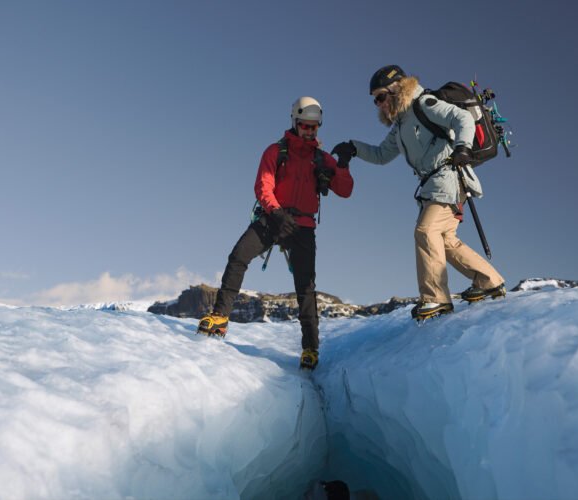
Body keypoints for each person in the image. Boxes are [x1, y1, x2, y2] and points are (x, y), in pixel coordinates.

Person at [332, 65, 504, 321]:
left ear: (395, 89)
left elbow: (463, 119)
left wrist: (462, 148)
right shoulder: (400, 125)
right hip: (431, 185)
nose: (378, 104)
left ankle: (436, 298)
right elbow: (381, 155)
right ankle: (489, 281)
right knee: (445, 240)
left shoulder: (425, 104)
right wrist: (353, 148)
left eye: (380, 97)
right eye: (375, 101)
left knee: (426, 231)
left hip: (449, 177)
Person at [197, 97, 353, 370]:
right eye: (305, 125)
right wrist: (277, 213)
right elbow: (263, 185)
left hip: (303, 226)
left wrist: (342, 163)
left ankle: (310, 349)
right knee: (238, 257)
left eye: (314, 127)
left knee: (306, 287)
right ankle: (220, 317)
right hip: (273, 218)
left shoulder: (322, 159)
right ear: (295, 122)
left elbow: (346, 189)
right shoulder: (276, 151)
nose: (309, 131)